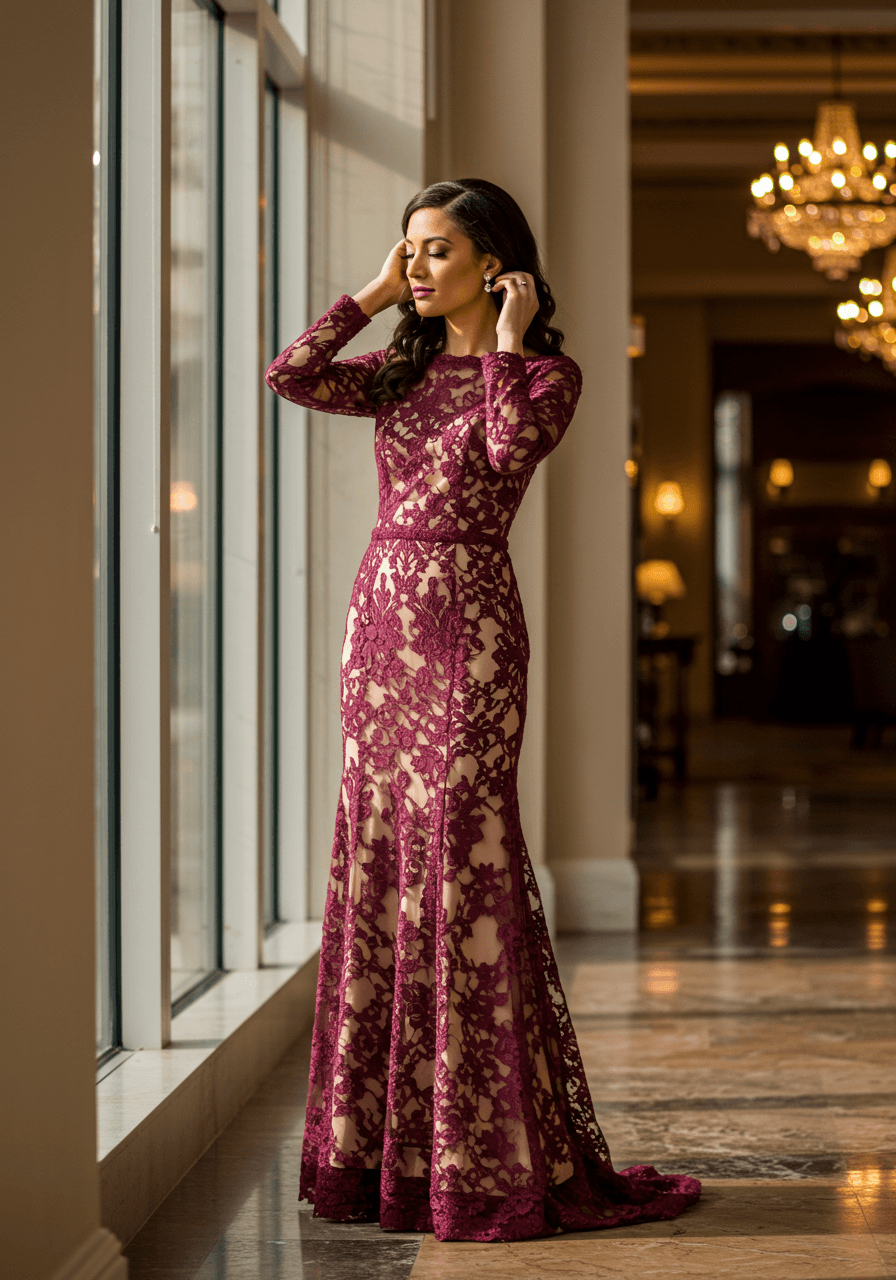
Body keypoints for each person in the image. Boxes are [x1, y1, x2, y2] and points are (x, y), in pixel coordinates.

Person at [265, 178, 701, 1243]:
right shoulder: (396, 371)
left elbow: (508, 452)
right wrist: (370, 293)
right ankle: (379, 1155)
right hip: (377, 640)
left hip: (469, 637)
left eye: (435, 251)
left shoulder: (545, 373)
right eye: (406, 248)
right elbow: (290, 375)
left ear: (496, 263)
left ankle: (479, 1157)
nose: (416, 266)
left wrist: (504, 336)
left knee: (460, 872)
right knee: (379, 863)